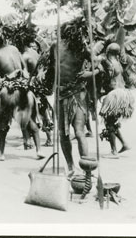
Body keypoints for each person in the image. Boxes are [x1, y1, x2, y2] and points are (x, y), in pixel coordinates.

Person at [0, 19, 44, 161]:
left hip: (9, 90)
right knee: (30, 120)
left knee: (2, 121)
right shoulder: (14, 48)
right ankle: (39, 150)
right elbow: (24, 68)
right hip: (24, 86)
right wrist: (23, 80)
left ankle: (1, 154)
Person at [45, 16, 104, 177]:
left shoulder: (61, 46)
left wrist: (91, 72)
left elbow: (52, 69)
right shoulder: (74, 47)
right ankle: (78, 168)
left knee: (70, 132)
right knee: (73, 132)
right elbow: (95, 63)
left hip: (70, 93)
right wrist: (94, 70)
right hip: (68, 93)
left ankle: (77, 167)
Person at [99, 27, 134, 158]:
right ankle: (124, 143)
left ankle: (113, 151)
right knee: (112, 122)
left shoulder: (108, 62)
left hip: (115, 95)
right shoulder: (119, 63)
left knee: (109, 123)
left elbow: (98, 63)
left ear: (108, 51)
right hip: (123, 94)